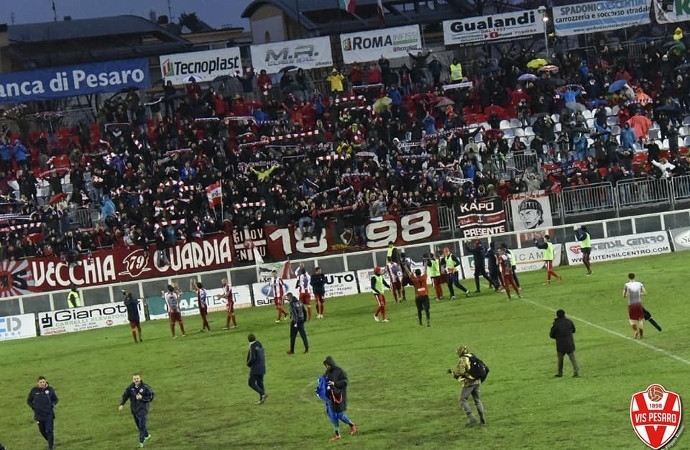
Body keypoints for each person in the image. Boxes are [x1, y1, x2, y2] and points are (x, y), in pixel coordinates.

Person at [450, 346, 486, 426]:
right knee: (477, 400)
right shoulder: (472, 356)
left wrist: (454, 374)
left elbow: (461, 372)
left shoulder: (463, 359)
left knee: (462, 399)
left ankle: (471, 418)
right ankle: (482, 419)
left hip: (469, 382)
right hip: (477, 381)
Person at [322, 356, 357, 441]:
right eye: (326, 365)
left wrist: (334, 383)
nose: (327, 367)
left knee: (339, 414)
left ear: (331, 364)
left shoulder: (340, 371)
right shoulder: (327, 372)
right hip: (330, 397)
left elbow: (345, 382)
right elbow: (324, 380)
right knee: (332, 416)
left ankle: (352, 425)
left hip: (338, 396)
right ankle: (337, 434)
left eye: (328, 365)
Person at [118, 373, 154, 448]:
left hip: (143, 410)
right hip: (134, 410)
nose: (136, 380)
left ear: (140, 379)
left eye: (137, 378)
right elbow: (125, 396)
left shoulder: (145, 387)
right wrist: (122, 404)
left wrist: (142, 398)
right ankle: (147, 435)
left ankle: (141, 441)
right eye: (134, 379)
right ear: (133, 380)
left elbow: (151, 396)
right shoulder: (130, 388)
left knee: (141, 426)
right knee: (139, 425)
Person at [27, 376, 58, 450]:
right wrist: (33, 407)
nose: (42, 383)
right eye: (40, 382)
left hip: (48, 414)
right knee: (42, 431)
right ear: (38, 383)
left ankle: (51, 446)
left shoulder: (50, 390)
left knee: (49, 430)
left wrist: (52, 405)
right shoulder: (34, 391)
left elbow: (55, 399)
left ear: (45, 382)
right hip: (39, 415)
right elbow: (29, 401)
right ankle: (50, 441)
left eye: (43, 382)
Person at [549, 309, 580, 378]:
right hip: (569, 343)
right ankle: (576, 372)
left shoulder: (555, 324)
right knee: (573, 358)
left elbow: (551, 335)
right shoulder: (569, 321)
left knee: (560, 359)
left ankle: (560, 373)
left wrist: (557, 337)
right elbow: (574, 330)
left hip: (560, 344)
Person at [623, 273, 647, 339]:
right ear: (634, 277)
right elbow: (645, 293)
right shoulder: (639, 284)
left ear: (628, 278)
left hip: (631, 305)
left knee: (631, 319)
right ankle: (641, 335)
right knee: (640, 319)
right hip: (639, 304)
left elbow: (624, 296)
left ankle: (635, 330)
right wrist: (638, 294)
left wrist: (629, 295)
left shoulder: (626, 285)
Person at [246, 333, 267, 405]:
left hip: (255, 368)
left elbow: (252, 358)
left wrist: (248, 364)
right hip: (262, 366)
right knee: (260, 382)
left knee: (251, 383)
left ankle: (263, 394)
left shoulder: (252, 346)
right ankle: (262, 399)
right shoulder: (259, 343)